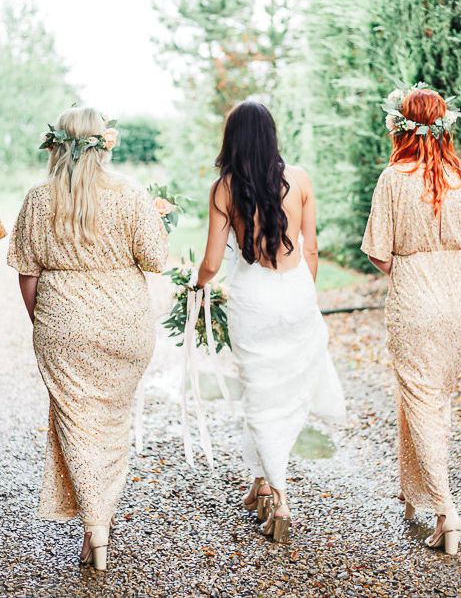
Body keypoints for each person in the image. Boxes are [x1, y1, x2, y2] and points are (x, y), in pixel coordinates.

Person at [7, 107, 168, 570]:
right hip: (125, 324)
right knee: (112, 422)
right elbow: (156, 259)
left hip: (63, 324)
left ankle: (95, 529)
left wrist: (45, 326)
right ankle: (101, 523)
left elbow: (27, 273)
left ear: (55, 144)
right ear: (104, 143)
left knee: (76, 421)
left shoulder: (38, 199)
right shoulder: (130, 194)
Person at [194, 100, 345, 543]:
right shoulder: (298, 179)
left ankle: (278, 495)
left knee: (259, 392)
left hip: (253, 298)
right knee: (285, 389)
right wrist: (304, 297)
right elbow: (311, 249)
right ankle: (261, 482)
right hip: (295, 291)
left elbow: (210, 261)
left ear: (233, 139)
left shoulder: (223, 188)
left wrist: (195, 285)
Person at [361, 85, 461, 555]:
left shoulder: (393, 179)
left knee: (419, 396)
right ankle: (414, 491)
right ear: (446, 125)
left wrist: (412, 261)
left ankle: (446, 510)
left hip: (415, 298)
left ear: (399, 125)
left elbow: (379, 254)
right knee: (432, 395)